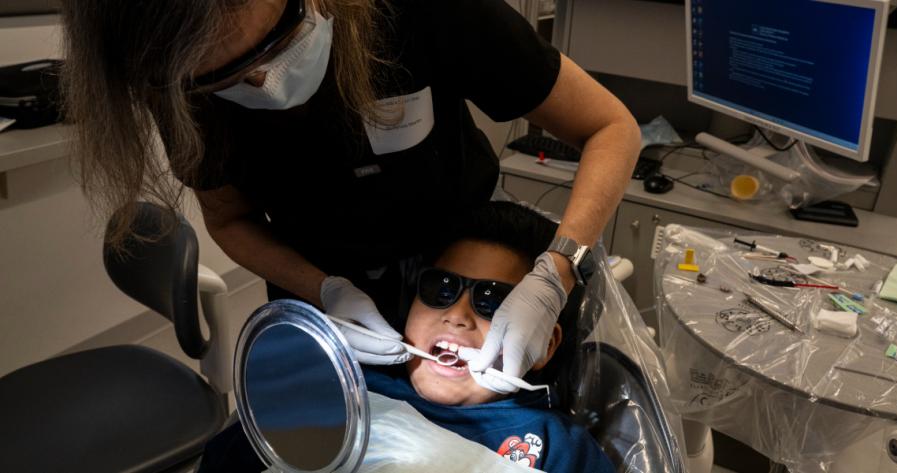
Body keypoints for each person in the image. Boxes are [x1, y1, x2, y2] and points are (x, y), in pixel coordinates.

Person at [58, 0, 641, 394]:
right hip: (317, 280)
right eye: (224, 81)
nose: (262, 82)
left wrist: (558, 269)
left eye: (273, 49)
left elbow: (611, 129)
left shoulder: (429, 12)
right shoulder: (170, 65)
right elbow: (230, 219)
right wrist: (324, 290)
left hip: (455, 250)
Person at [198, 201, 615, 472]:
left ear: (544, 342)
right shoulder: (350, 388)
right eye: (440, 289)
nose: (456, 315)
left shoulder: (553, 445)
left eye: (493, 301)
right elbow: (228, 460)